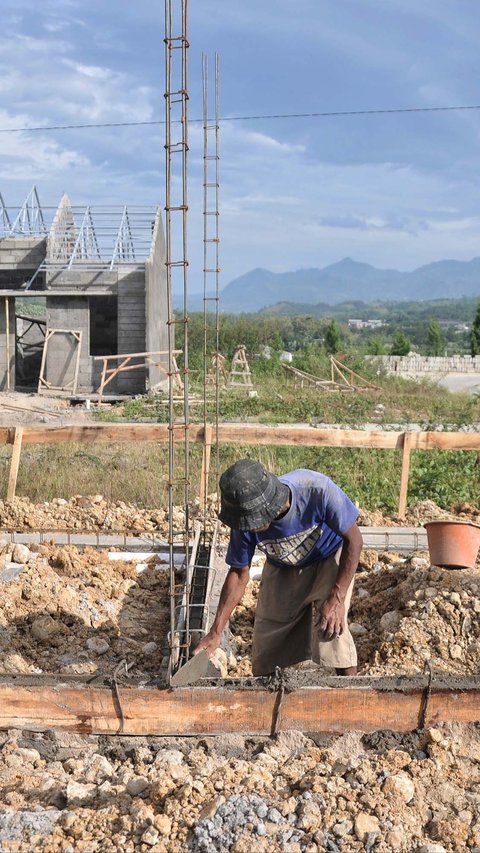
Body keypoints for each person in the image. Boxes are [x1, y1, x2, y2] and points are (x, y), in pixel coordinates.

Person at [194, 458, 362, 676]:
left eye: (254, 521)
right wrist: (215, 632)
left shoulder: (316, 490)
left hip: (328, 556)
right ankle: (270, 702)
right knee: (268, 647)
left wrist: (337, 598)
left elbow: (355, 541)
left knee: (331, 629)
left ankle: (350, 697)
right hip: (282, 563)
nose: (250, 529)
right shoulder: (243, 521)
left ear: (270, 505)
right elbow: (238, 573)